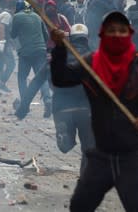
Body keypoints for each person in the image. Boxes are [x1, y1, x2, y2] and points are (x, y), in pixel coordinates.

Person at [51, 11, 138, 211]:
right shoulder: (91, 63)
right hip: (102, 153)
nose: (116, 35)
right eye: (111, 30)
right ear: (102, 34)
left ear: (129, 34)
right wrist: (59, 48)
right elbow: (61, 79)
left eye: (122, 31)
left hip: (134, 154)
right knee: (80, 205)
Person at [51, 24, 95, 176]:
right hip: (86, 108)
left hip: (61, 108)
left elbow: (41, 78)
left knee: (66, 147)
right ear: (87, 39)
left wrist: (24, 104)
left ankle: (65, 136)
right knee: (89, 147)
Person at [10, 0, 50, 119]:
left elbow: (13, 34)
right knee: (42, 77)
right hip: (41, 50)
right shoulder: (38, 16)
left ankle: (24, 105)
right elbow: (46, 36)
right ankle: (48, 99)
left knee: (22, 77)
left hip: (26, 52)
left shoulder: (16, 16)